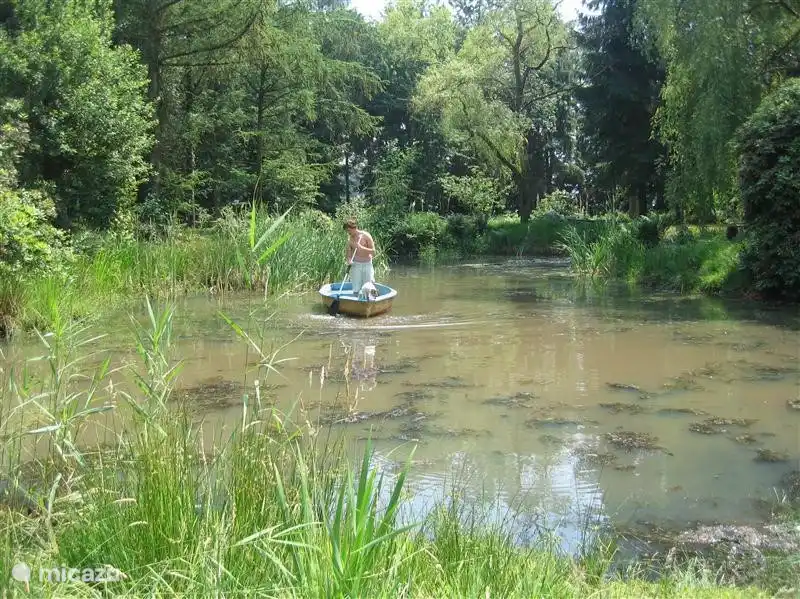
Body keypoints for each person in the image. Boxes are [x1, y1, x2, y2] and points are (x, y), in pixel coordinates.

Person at [343, 218, 375, 296]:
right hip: (356, 265)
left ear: (354, 228)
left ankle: (369, 301)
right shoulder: (349, 240)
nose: (348, 233)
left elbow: (373, 252)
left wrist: (361, 247)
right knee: (356, 287)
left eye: (349, 231)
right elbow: (348, 255)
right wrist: (349, 260)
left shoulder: (366, 236)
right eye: (347, 231)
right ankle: (355, 302)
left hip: (367, 264)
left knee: (368, 286)